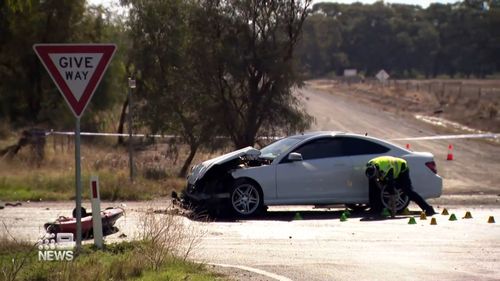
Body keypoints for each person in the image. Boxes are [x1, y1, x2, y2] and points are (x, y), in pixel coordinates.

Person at [365, 156, 436, 216]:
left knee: (408, 190)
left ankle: (428, 209)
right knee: (373, 188)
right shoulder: (369, 165)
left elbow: (391, 187)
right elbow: (372, 188)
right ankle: (376, 209)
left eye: (376, 175)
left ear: (378, 171)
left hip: (401, 168)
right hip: (387, 166)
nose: (376, 177)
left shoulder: (385, 169)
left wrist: (393, 210)